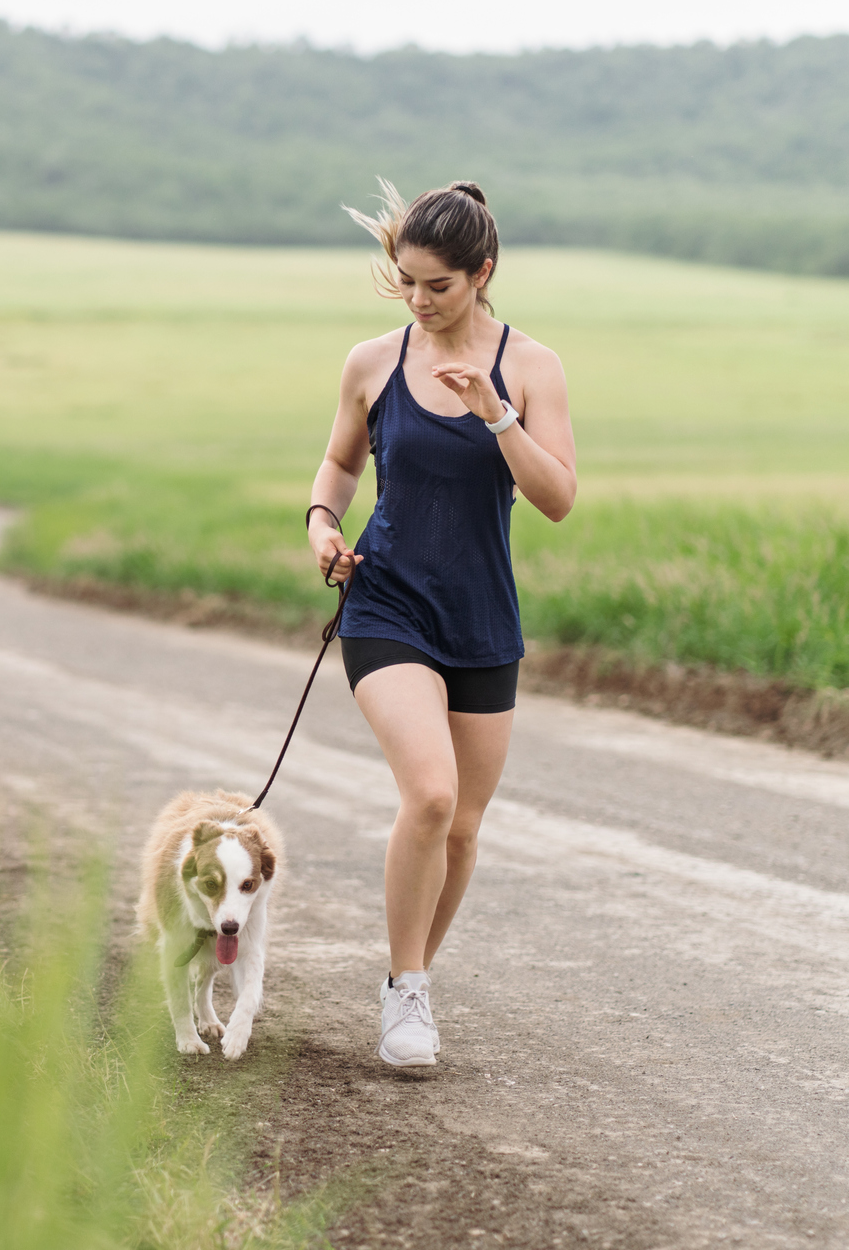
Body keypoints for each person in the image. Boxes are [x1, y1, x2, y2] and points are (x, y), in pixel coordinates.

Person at [306, 181, 577, 1067]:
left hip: (480, 615)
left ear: (481, 273)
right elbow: (340, 466)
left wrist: (495, 415)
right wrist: (322, 525)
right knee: (429, 794)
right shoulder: (373, 362)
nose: (418, 302)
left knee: (461, 827)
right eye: (405, 283)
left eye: (436, 286)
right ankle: (407, 994)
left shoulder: (531, 368)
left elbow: (557, 500)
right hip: (386, 605)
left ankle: (408, 980)